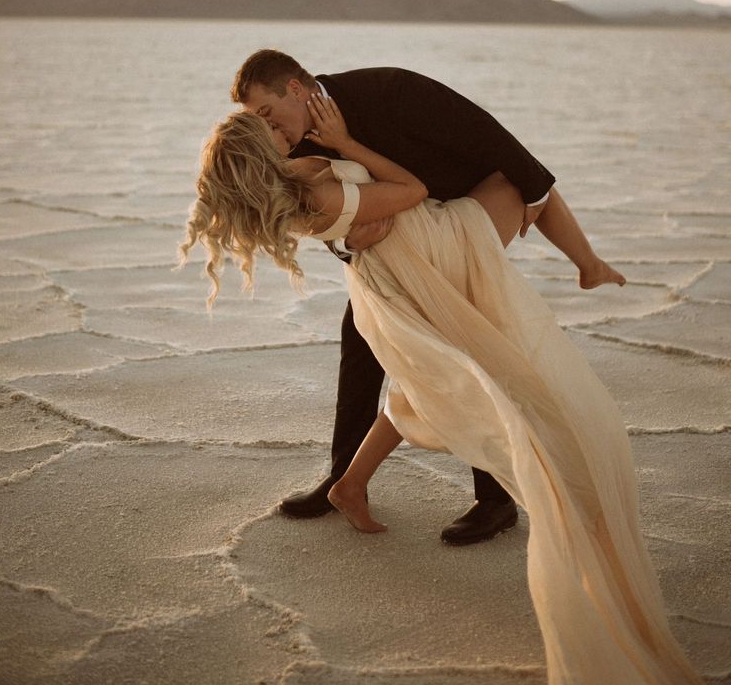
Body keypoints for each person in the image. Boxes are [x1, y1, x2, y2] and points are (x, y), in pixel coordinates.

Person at [179, 99, 700, 684]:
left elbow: (367, 221)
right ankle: (588, 266)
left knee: (427, 381)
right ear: (254, 156)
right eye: (266, 130)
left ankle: (350, 484)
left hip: (406, 259)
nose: (279, 131)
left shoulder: (295, 179)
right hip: (430, 251)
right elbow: (410, 187)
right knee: (519, 184)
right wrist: (349, 148)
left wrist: (354, 219)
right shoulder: (314, 193)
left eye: (272, 121)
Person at [232, 49, 625, 545]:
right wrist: (347, 243)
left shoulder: (390, 90)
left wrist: (535, 196)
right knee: (361, 340)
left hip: (457, 220)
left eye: (267, 113)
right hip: (395, 245)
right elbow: (313, 215)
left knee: (470, 348)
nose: (272, 130)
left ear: (295, 88)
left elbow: (493, 139)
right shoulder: (287, 144)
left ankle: (494, 498)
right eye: (257, 122)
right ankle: (343, 478)